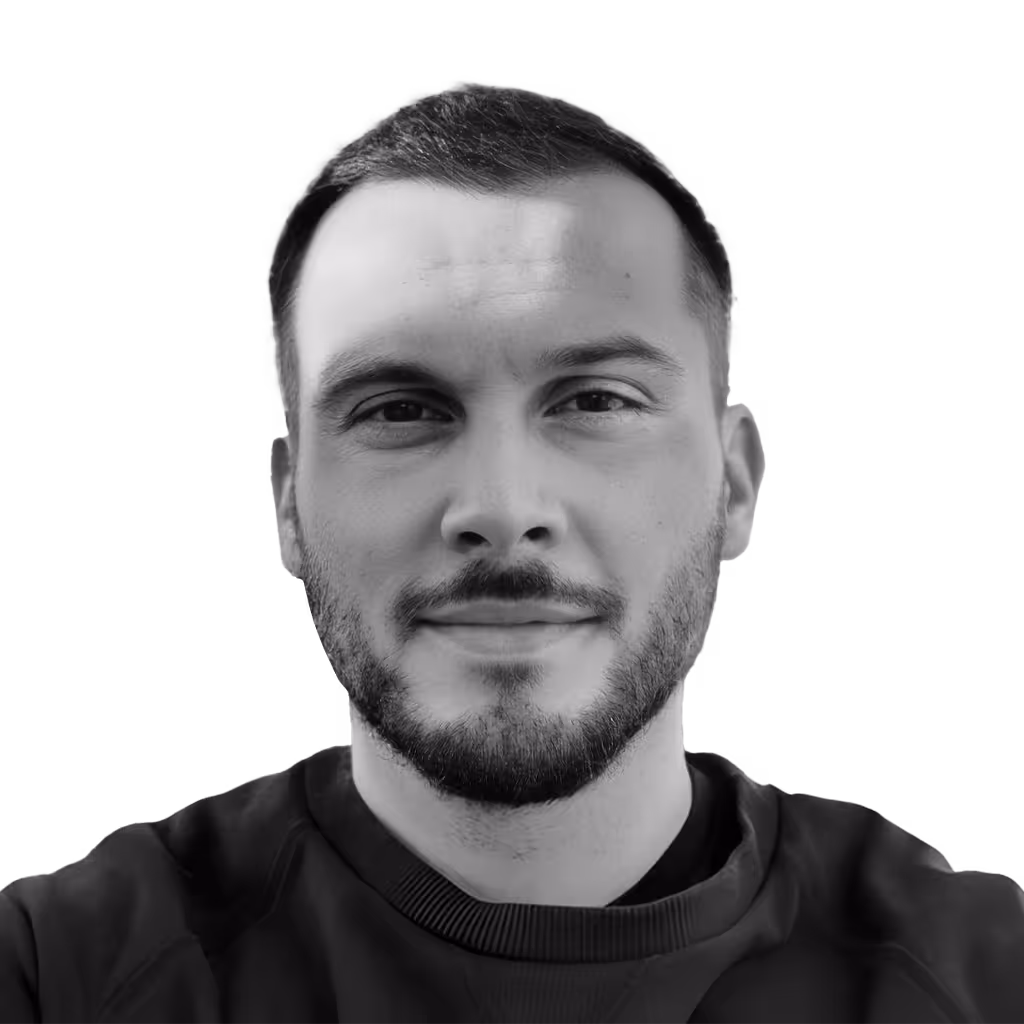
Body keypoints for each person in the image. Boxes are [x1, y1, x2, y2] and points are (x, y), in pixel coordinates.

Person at [1, 80, 1021, 1023]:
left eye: (596, 401)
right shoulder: (58, 974)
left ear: (736, 484)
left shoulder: (985, 974)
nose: (499, 507)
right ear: (286, 505)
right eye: (399, 409)